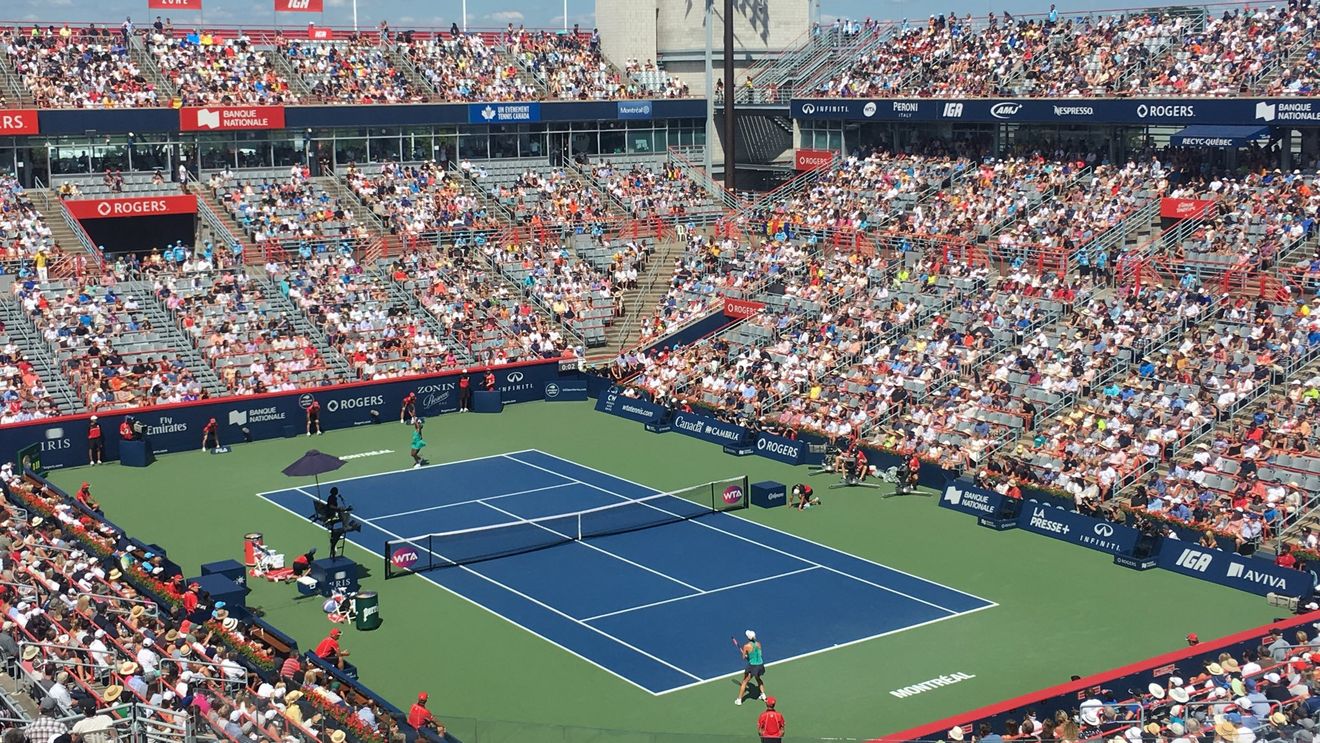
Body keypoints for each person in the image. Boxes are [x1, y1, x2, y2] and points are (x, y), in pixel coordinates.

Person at [735, 629, 766, 705]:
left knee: (745, 681)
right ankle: (763, 695)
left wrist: (746, 655)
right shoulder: (759, 644)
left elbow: (744, 657)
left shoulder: (746, 646)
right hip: (761, 665)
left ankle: (739, 700)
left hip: (752, 666)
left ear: (748, 638)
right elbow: (760, 655)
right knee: (758, 678)